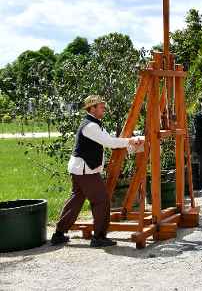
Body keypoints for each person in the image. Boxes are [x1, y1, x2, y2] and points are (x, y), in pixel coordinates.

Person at [50, 95, 144, 247]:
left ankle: (58, 234)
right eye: (100, 106)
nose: (103, 108)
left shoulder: (95, 124)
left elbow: (110, 140)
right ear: (91, 109)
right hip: (85, 170)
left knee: (76, 200)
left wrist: (130, 143)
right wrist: (130, 141)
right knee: (101, 200)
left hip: (81, 169)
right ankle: (98, 237)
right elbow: (108, 142)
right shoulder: (90, 126)